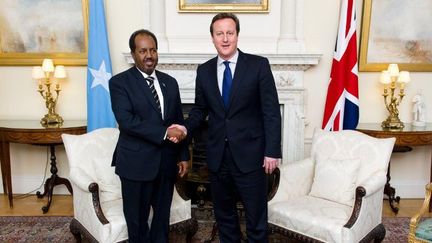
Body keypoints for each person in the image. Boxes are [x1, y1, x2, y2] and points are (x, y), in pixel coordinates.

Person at [173, 13, 282, 242]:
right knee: (224, 218)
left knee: (256, 219)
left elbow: (270, 111)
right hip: (217, 157)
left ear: (237, 35)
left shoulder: (258, 65)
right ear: (212, 38)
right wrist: (184, 129)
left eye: (229, 33)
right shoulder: (204, 71)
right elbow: (199, 110)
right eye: (219, 33)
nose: (225, 38)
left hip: (251, 157)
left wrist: (272, 150)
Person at [109, 29, 189, 243]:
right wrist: (164, 132)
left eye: (153, 50)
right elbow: (127, 121)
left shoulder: (169, 82)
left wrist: (183, 155)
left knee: (162, 219)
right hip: (135, 164)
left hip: (166, 162)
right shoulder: (119, 83)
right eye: (143, 50)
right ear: (133, 54)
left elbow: (178, 122)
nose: (149, 55)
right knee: (137, 222)